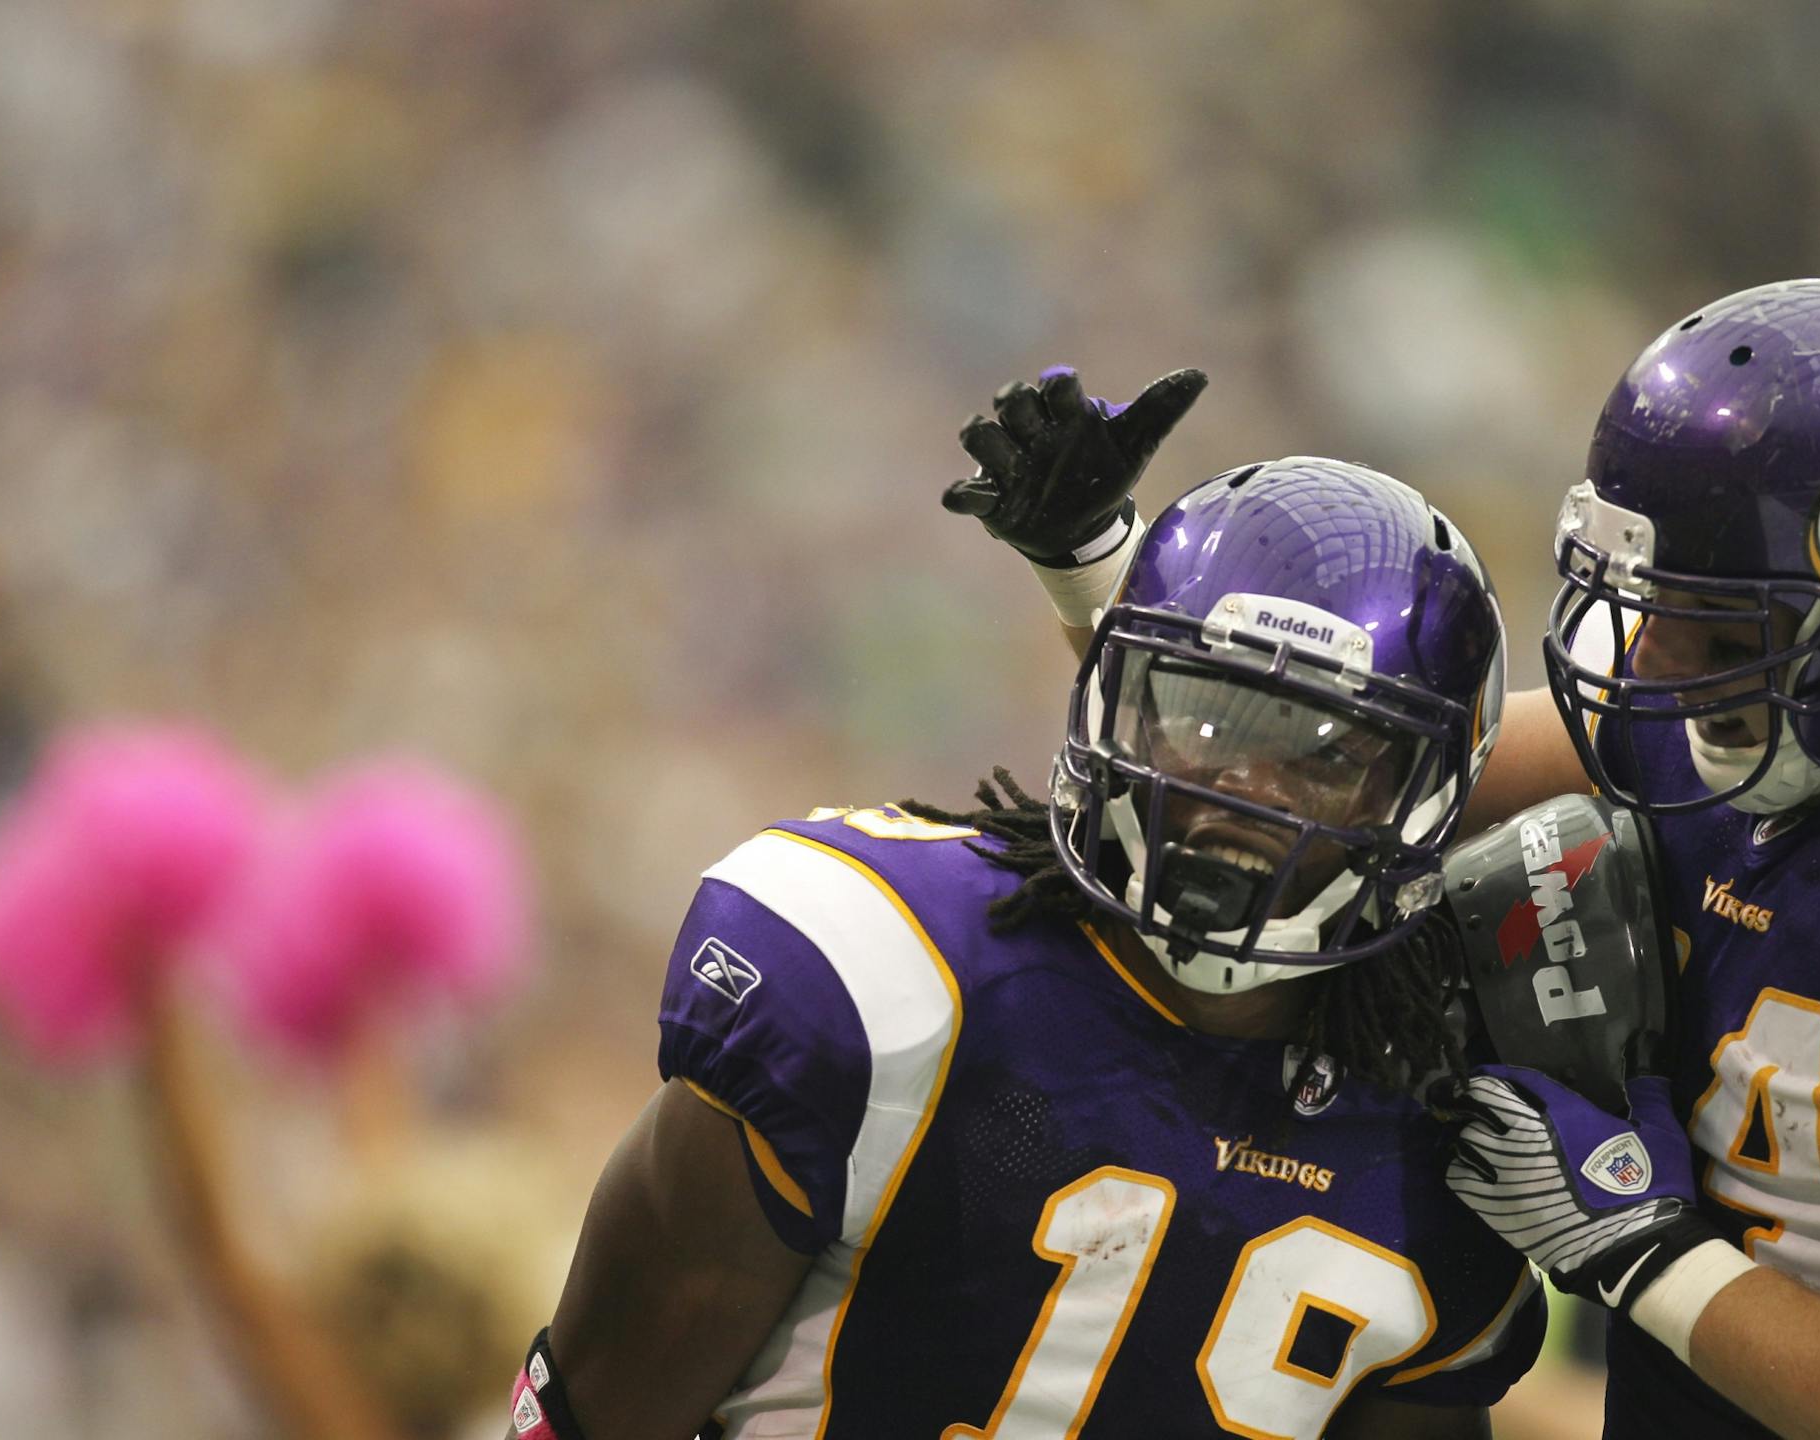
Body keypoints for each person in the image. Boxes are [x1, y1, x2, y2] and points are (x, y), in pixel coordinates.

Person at [969, 278, 1820, 1440]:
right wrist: (1098, 572)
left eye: (1713, 625)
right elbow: (1351, 790)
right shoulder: (1769, 695)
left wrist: (1644, 1251)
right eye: (1648, 598)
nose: (1650, 663)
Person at [509, 451, 1568, 1439]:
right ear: (1113, 701)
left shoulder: (1443, 1133)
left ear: (1428, 799)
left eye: (1326, 758)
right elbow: (597, 1412)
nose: (1247, 789)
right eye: (1208, 718)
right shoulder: (881, 972)